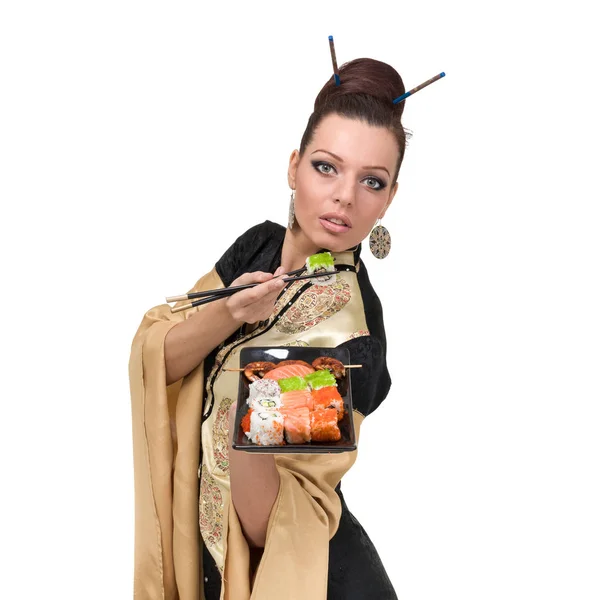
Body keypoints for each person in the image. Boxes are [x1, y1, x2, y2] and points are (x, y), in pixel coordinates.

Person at [129, 56, 411, 600]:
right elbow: (156, 359)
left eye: (371, 181)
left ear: (389, 198)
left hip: (309, 579)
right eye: (327, 167)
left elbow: (271, 523)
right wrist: (229, 312)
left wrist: (251, 404)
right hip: (208, 557)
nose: (345, 196)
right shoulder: (256, 246)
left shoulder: (357, 336)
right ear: (293, 166)